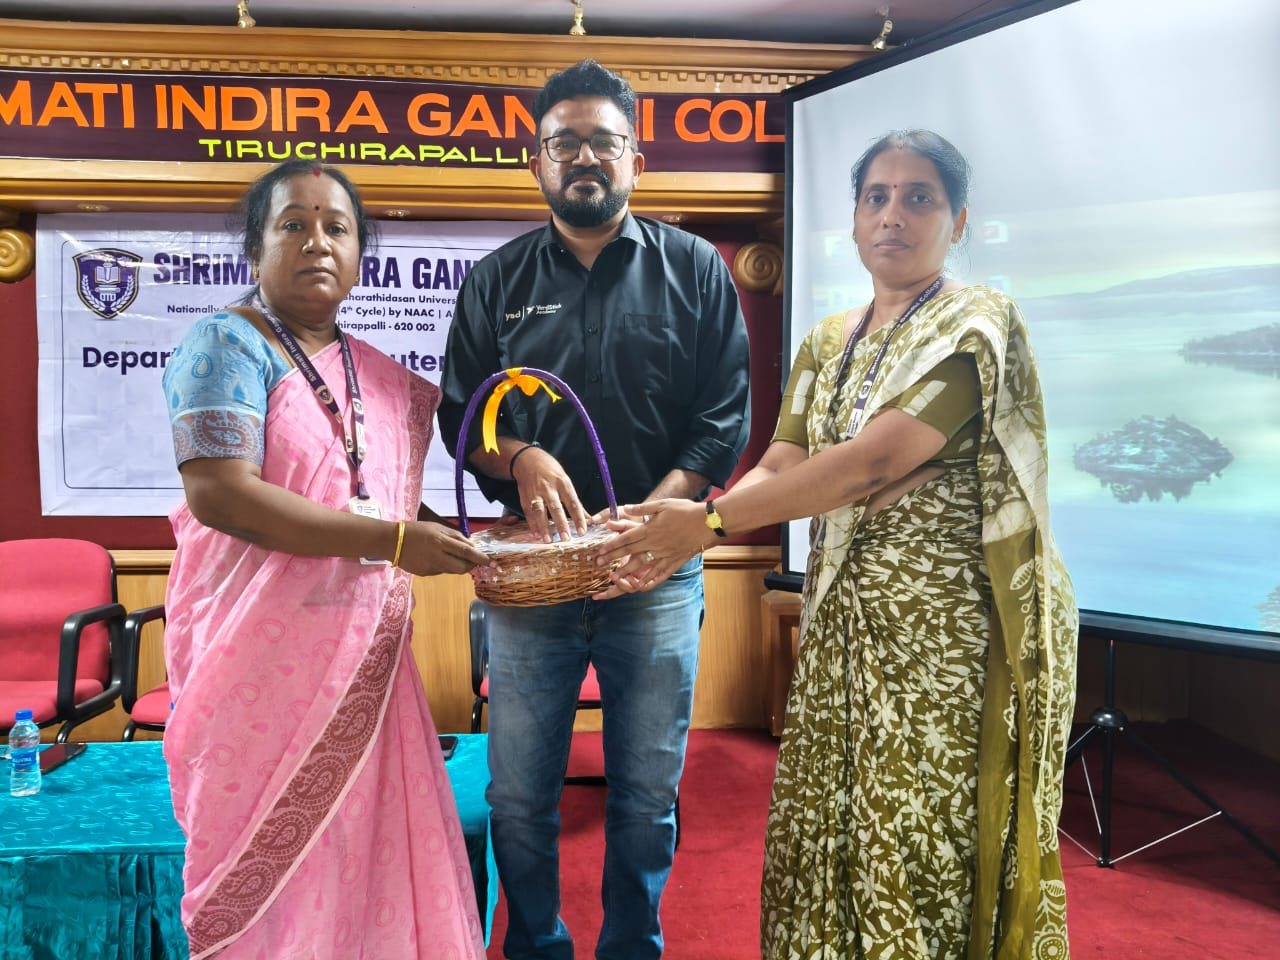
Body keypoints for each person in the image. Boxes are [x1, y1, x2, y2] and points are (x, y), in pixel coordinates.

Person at [596, 130, 1078, 959]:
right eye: (876, 197)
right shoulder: (827, 339)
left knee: (917, 830)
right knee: (834, 823)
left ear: (958, 221)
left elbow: (871, 462)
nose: (894, 215)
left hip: (941, 641)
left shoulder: (976, 324)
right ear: (854, 220)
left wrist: (705, 527)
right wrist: (685, 522)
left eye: (920, 197)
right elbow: (784, 459)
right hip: (842, 628)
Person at [438, 59, 752, 960]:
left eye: (603, 142)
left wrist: (654, 519)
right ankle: (535, 945)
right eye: (564, 142)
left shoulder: (695, 269)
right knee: (518, 796)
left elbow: (722, 416)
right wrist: (520, 453)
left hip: (657, 574)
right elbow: (462, 418)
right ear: (536, 160)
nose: (584, 157)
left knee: (646, 795)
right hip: (532, 583)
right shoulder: (494, 282)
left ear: (635, 161)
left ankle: (629, 947)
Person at [160, 159, 490, 960]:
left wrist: (471, 538)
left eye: (337, 227)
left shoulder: (378, 376)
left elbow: (378, 500)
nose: (317, 242)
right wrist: (397, 544)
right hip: (251, 663)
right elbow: (221, 495)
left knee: (368, 853)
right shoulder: (225, 345)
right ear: (256, 247)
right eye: (294, 225)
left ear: (358, 254)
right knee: (266, 856)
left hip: (366, 664)